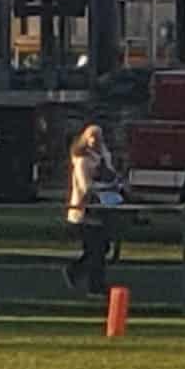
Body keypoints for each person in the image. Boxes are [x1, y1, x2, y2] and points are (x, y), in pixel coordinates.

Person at [63, 122, 121, 296]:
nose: (95, 140)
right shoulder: (81, 160)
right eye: (92, 136)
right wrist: (105, 187)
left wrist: (115, 184)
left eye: (98, 137)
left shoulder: (103, 156)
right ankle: (92, 284)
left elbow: (111, 174)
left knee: (102, 248)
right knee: (94, 249)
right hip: (85, 211)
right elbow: (84, 186)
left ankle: (80, 274)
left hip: (102, 209)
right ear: (85, 138)